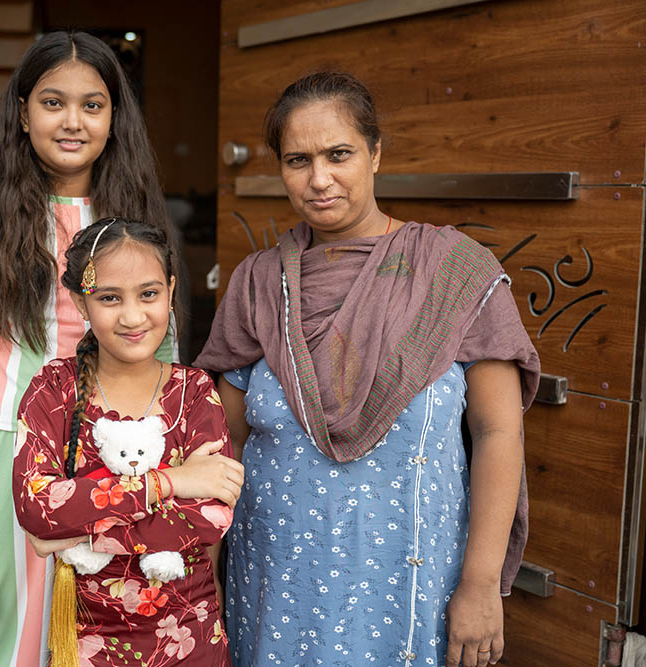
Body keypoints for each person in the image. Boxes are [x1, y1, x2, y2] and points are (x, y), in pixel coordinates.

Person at [194, 71, 540, 667]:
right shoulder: (257, 285)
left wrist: (482, 584)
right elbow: (216, 447)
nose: (319, 179)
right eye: (298, 160)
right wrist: (203, 579)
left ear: (376, 153)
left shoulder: (452, 272)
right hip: (276, 589)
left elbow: (497, 432)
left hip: (410, 591)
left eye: (339, 154)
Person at [0, 32, 178, 667]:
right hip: (4, 464)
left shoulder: (140, 224)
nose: (72, 121)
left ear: (115, 117)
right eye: (53, 102)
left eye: (93, 105)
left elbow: (163, 372)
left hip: (123, 464)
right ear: (22, 112)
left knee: (116, 642)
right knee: (9, 646)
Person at [13, 218, 244, 666]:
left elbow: (212, 517)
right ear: (81, 301)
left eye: (149, 294)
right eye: (109, 298)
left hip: (190, 632)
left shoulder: (195, 392)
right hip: (89, 640)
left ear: (172, 291)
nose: (133, 316)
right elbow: (37, 508)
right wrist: (171, 482)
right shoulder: (54, 390)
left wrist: (75, 531)